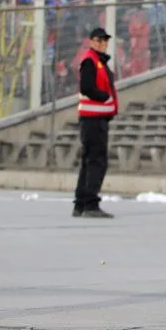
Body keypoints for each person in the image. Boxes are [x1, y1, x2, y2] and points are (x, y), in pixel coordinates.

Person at [73, 28, 117, 218]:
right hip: (93, 119)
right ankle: (90, 204)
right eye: (99, 40)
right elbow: (87, 87)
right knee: (96, 161)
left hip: (95, 119)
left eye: (105, 41)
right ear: (91, 41)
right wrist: (105, 97)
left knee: (89, 160)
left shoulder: (98, 60)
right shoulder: (91, 60)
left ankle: (81, 203)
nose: (102, 43)